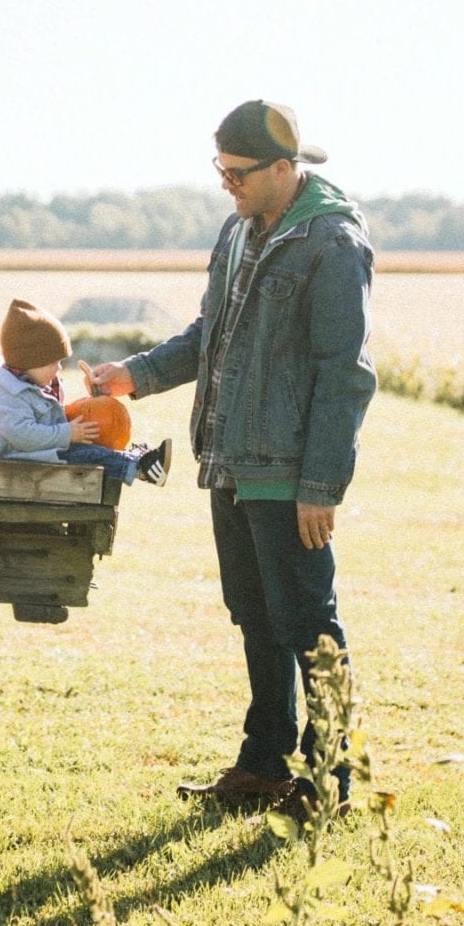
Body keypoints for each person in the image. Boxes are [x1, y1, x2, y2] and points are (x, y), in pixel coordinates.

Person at [87, 100, 375, 816]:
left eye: (237, 172)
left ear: (285, 169)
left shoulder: (333, 246)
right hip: (228, 460)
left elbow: (345, 375)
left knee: (308, 623)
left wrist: (321, 484)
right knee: (253, 613)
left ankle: (328, 782)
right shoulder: (239, 230)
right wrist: (138, 374)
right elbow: (210, 333)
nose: (226, 185)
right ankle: (264, 764)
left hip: (288, 473)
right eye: (219, 170)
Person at [0, 298, 173, 485]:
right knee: (89, 455)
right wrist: (67, 434)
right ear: (29, 363)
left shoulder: (41, 384)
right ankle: (140, 467)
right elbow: (23, 435)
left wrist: (94, 405)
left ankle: (135, 459)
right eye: (52, 363)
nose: (58, 368)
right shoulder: (8, 397)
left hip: (48, 453)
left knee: (91, 450)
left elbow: (55, 420)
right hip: (24, 463)